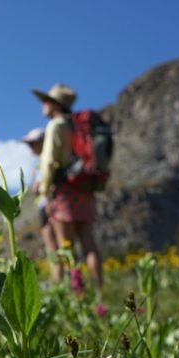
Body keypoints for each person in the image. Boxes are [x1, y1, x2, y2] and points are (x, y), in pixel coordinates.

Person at [32, 83, 103, 290]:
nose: (43, 104)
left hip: (63, 190)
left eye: (46, 101)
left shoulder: (56, 125)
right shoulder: (77, 125)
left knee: (66, 246)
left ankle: (76, 293)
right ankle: (99, 289)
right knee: (88, 242)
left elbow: (49, 161)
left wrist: (43, 188)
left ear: (55, 104)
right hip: (84, 188)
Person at [22, 127, 58, 259]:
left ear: (43, 142)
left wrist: (36, 186)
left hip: (48, 203)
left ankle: (61, 277)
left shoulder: (46, 159)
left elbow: (39, 187)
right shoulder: (40, 161)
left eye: (32, 143)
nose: (30, 147)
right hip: (47, 203)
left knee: (53, 245)